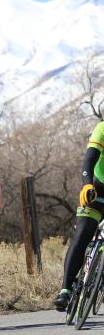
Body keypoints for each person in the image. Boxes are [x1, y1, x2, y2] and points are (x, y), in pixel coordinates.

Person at [54, 121, 104, 311]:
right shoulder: (103, 129)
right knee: (83, 233)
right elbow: (89, 159)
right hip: (97, 190)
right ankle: (65, 290)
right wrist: (86, 184)